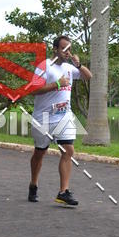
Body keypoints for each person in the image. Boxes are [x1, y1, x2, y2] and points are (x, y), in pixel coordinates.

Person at [28, 35, 91, 206]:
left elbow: (88, 76)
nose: (67, 52)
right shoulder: (44, 66)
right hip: (44, 117)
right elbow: (33, 90)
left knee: (68, 150)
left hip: (64, 116)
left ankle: (63, 192)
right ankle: (33, 184)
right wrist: (56, 84)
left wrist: (78, 64)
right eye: (64, 49)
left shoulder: (70, 68)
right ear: (55, 49)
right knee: (40, 153)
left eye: (69, 49)